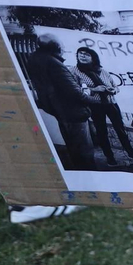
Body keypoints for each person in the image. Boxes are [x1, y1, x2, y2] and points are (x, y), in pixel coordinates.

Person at [28, 37, 97, 170]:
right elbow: (75, 92)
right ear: (57, 48)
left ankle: (80, 172)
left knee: (73, 147)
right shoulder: (55, 64)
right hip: (73, 112)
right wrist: (94, 100)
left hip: (59, 110)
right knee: (84, 150)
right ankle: (90, 174)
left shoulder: (35, 60)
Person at [74, 46, 133, 166]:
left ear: (93, 57)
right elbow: (75, 90)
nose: (83, 56)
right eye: (80, 53)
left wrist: (113, 90)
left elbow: (115, 86)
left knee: (121, 130)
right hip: (95, 105)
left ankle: (132, 154)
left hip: (111, 103)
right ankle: (110, 157)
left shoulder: (101, 70)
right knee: (101, 132)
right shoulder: (74, 71)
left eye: (86, 54)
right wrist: (95, 89)